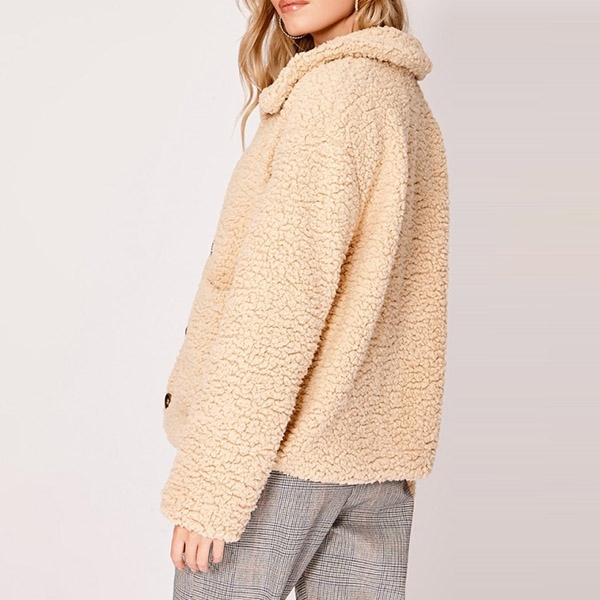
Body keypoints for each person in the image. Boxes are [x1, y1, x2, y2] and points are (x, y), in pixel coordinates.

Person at [160, 1, 449, 598]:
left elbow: (276, 306)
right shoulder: (403, 97)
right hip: (373, 462)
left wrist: (213, 485)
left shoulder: (332, 95)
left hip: (282, 455)